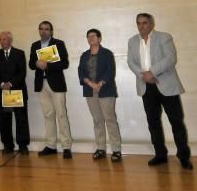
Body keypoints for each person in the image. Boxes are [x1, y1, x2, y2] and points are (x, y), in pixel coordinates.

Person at [127, 13, 192, 170]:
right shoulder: (132, 41)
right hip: (145, 86)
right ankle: (160, 155)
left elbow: (171, 58)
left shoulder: (164, 37)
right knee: (153, 122)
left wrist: (152, 72)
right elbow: (131, 61)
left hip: (166, 84)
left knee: (176, 122)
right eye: (138, 23)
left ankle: (183, 157)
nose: (141, 26)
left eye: (144, 23)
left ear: (151, 24)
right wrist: (144, 76)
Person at [29, 20, 73, 159]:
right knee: (48, 115)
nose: (43, 31)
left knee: (61, 115)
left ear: (51, 31)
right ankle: (51, 146)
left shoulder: (58, 44)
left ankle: (66, 147)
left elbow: (64, 63)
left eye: (46, 29)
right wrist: (36, 63)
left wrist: (47, 66)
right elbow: (31, 64)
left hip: (56, 84)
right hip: (41, 84)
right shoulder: (35, 45)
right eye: (41, 29)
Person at [78, 29, 122, 162]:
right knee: (97, 120)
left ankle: (116, 150)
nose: (91, 38)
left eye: (94, 36)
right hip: (90, 91)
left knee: (110, 119)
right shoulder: (84, 55)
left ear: (99, 38)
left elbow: (110, 71)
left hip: (106, 90)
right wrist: (91, 84)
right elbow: (81, 72)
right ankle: (101, 148)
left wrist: (100, 84)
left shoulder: (107, 53)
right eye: (88, 36)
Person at [0, 31, 30, 155]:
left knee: (21, 119)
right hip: (3, 92)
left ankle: (23, 145)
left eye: (4, 39)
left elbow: (22, 73)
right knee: (4, 119)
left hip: (16, 90)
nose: (2, 42)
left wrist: (10, 84)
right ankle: (8, 145)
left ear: (10, 40)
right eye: (1, 39)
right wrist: (2, 84)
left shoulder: (19, 53)